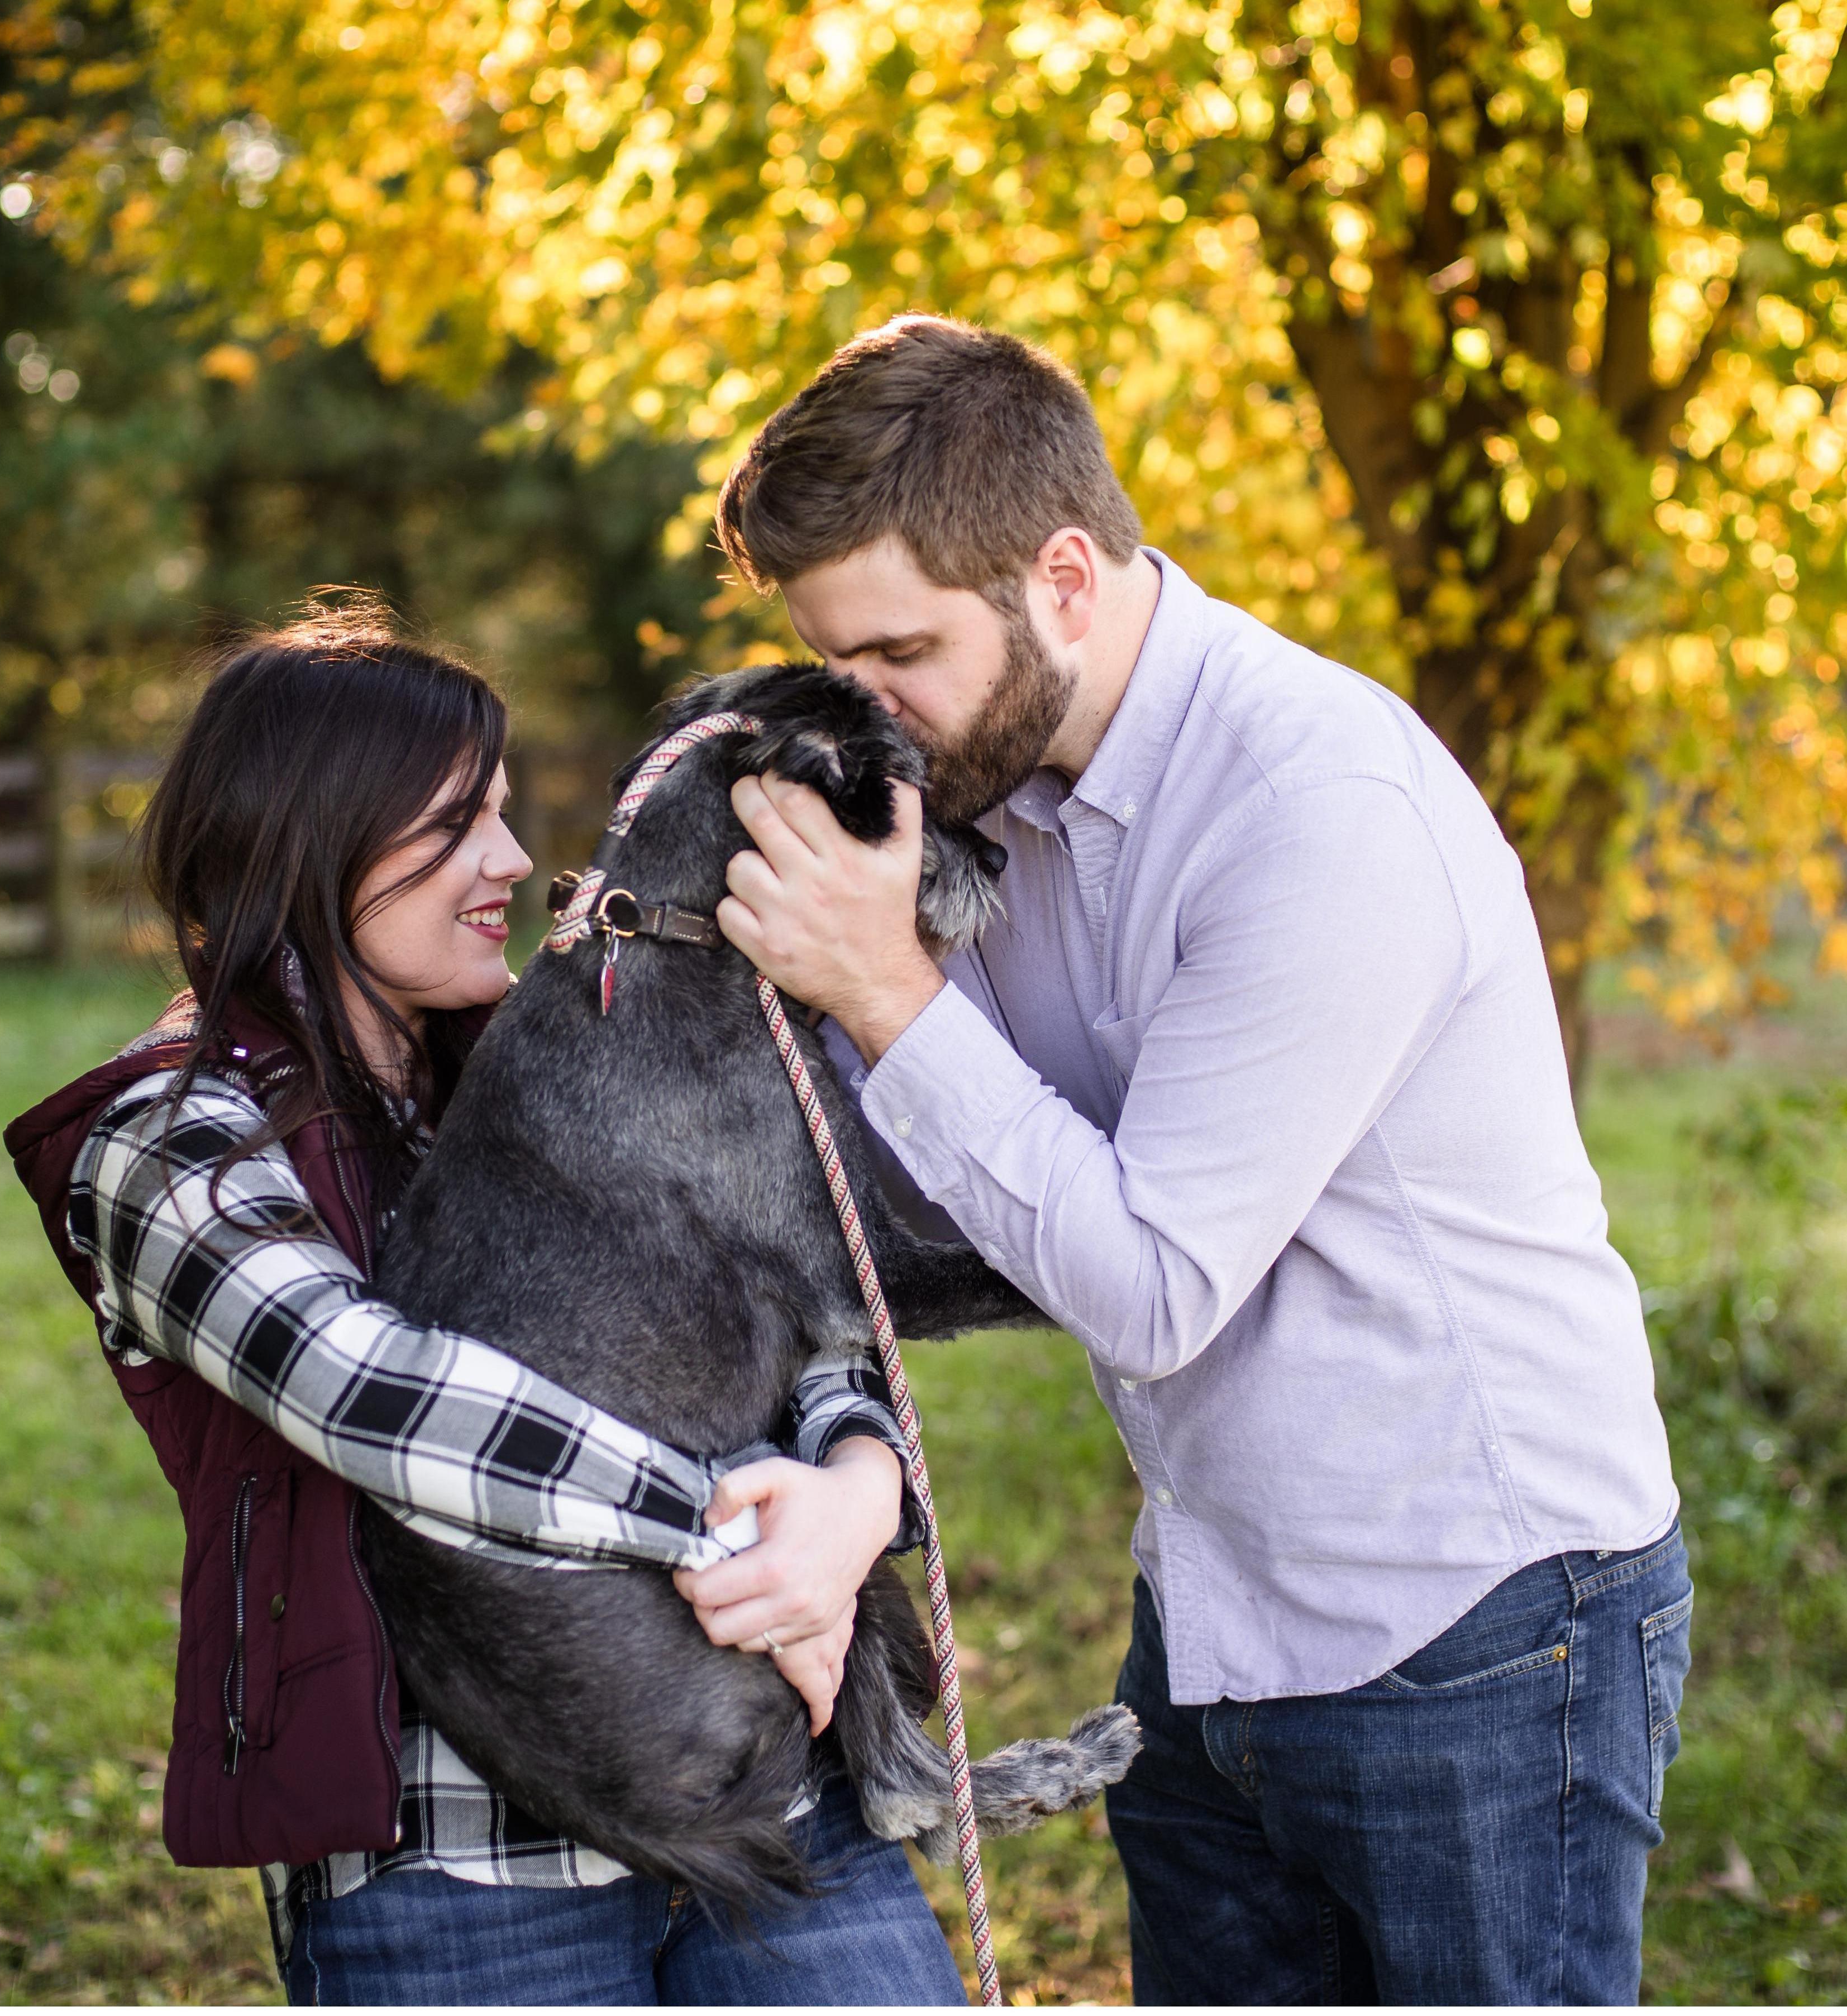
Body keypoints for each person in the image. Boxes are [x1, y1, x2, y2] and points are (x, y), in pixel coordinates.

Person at [708, 316, 1691, 2005]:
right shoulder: (988, 795)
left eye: (900, 655)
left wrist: (883, 987)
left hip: (1475, 1617)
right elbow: (941, 1179)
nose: (866, 716)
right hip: (1213, 1607)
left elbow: (1151, 1284)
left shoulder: (1316, 808)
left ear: (1062, 580)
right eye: (830, 665)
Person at [4, 606, 968, 2008]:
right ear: (313, 835)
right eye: (457, 824)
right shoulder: (171, 1138)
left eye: (505, 814)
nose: (513, 862)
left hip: (773, 1789)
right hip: (454, 1874)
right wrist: (743, 1543)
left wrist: (855, 1494)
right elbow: (382, 1402)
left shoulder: (565, 1046)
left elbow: (794, 1272)